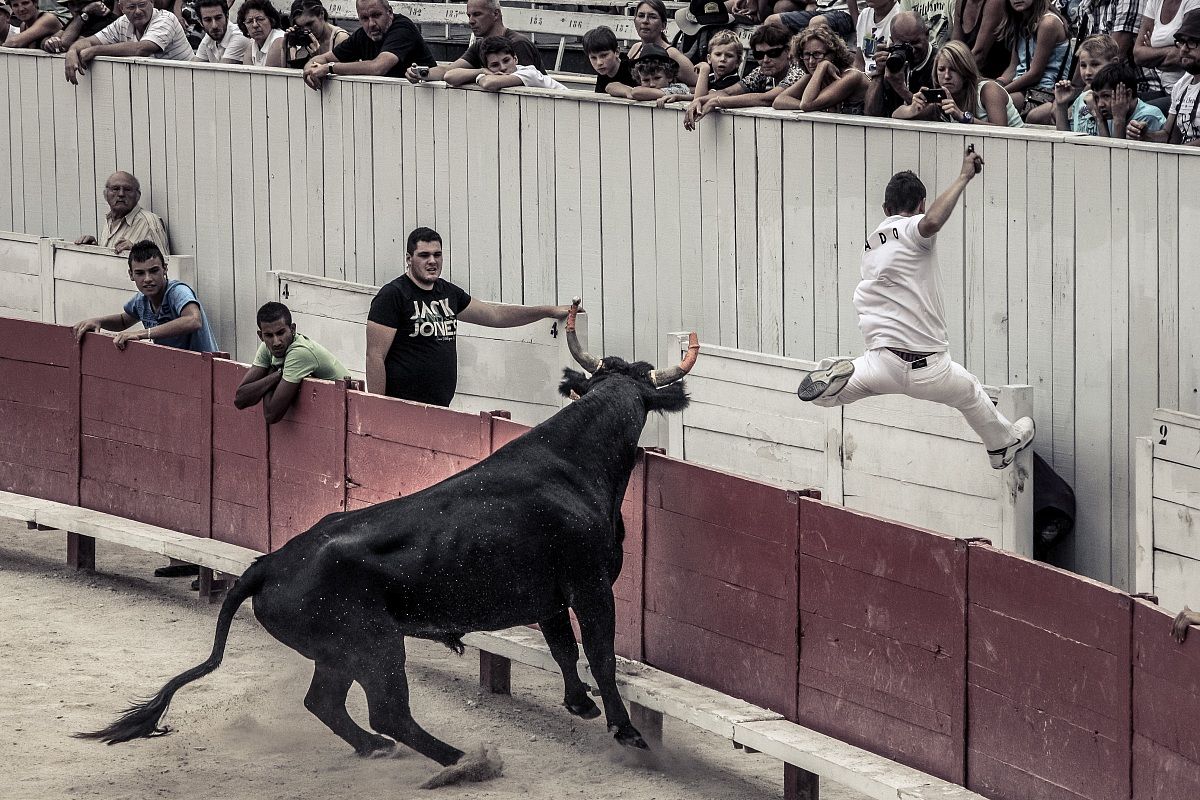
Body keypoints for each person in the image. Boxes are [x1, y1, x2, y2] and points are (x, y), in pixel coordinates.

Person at [797, 148, 1036, 471]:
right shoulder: (912, 232)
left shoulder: (872, 243)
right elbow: (933, 222)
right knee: (969, 391)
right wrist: (964, 175)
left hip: (880, 363)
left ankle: (831, 386)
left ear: (886, 208)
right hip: (929, 369)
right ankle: (1001, 445)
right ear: (921, 205)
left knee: (836, 396)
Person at [365, 227, 572, 406]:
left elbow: (495, 316)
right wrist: (378, 410)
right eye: (424, 255)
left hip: (440, 408)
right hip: (401, 407)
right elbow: (375, 356)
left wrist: (548, 311)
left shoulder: (448, 293)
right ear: (409, 259)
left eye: (437, 255)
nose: (432, 261)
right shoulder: (393, 295)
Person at [234, 302, 349, 424]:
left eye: (280, 333)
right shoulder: (266, 348)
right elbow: (239, 400)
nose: (276, 342)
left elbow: (271, 415)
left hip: (346, 410)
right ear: (260, 336)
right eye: (268, 335)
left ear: (292, 329)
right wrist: (274, 376)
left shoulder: (299, 352)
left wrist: (270, 372)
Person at [684, 23, 803, 128]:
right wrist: (700, 100)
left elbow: (767, 98)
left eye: (773, 53)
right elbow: (728, 92)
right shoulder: (761, 71)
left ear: (788, 51)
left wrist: (717, 102)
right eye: (759, 55)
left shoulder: (798, 69)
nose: (765, 60)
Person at [303, 0, 434, 88]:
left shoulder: (403, 29)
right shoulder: (362, 35)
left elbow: (378, 67)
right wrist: (309, 69)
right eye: (364, 18)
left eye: (376, 15)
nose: (371, 24)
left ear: (389, 12)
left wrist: (329, 68)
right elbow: (323, 58)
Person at [405, 0, 542, 83]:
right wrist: (421, 74)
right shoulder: (481, 46)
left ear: (496, 14)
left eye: (477, 14)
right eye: (469, 15)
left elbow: (524, 87)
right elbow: (449, 70)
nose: (470, 21)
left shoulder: (518, 43)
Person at [893, 39, 1024, 124]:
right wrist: (913, 109)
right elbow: (895, 115)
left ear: (965, 71)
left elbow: (1001, 131)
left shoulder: (988, 89)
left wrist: (962, 117)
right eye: (941, 69)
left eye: (953, 70)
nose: (947, 76)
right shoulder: (941, 99)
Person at [63, 0, 193, 83]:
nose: (137, 11)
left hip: (188, 82)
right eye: (131, 7)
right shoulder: (122, 22)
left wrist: (95, 51)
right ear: (121, 8)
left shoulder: (165, 18)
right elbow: (90, 41)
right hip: (161, 85)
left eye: (142, 5)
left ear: (152, 2)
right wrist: (72, 51)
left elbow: (141, 49)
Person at [1130, 9, 1200, 145]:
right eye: (1181, 42)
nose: (1183, 49)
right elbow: (1170, 136)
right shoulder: (1182, 85)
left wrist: (1180, 151)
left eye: (1192, 42)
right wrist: (1144, 135)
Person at [773, 23, 869, 113]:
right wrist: (816, 107)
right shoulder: (815, 76)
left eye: (817, 54)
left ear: (833, 54)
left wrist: (822, 65)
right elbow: (779, 100)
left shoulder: (851, 76)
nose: (811, 61)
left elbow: (807, 104)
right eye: (806, 55)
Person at [998, 0, 1069, 114]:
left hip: (1047, 91)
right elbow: (1013, 68)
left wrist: (1000, 92)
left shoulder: (1048, 23)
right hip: (1022, 87)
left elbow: (1035, 74)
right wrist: (997, 83)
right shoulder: (1020, 21)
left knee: (995, 103)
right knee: (981, 97)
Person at [75, 171, 170, 254]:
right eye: (115, 189)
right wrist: (94, 249)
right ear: (105, 194)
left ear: (138, 195)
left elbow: (165, 266)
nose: (121, 194)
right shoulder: (109, 220)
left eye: (127, 189)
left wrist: (136, 252)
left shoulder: (149, 223)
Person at [864, 11, 938, 116]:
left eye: (915, 42)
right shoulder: (892, 62)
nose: (911, 50)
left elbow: (934, 117)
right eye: (903, 45)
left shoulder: (940, 65)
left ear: (927, 34)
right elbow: (870, 113)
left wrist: (901, 88)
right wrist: (879, 74)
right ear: (892, 41)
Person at [1074, 61, 1167, 137]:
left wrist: (1119, 119)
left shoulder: (1148, 116)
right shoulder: (1108, 113)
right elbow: (1105, 152)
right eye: (1097, 98)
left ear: (1127, 94)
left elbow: (1118, 157)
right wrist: (1100, 120)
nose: (1100, 104)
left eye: (1106, 96)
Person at [1052, 34, 1121, 135]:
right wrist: (1061, 105)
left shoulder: (1117, 100)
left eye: (1095, 64)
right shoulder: (1081, 98)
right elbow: (1066, 137)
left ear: (1114, 63)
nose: (1087, 72)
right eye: (1083, 65)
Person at [1133, 0, 1200, 103]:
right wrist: (1170, 53)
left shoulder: (1194, 2)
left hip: (1185, 92)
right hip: (1160, 88)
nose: (1183, 48)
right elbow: (1138, 55)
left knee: (1139, 113)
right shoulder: (1154, 2)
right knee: (1124, 104)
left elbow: (1187, 56)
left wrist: (1153, 57)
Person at [444, 35, 566, 90]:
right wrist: (481, 71)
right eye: (495, 65)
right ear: (487, 67)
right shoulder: (488, 73)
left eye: (506, 60)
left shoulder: (529, 72)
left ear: (516, 59)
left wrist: (484, 75)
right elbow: (449, 76)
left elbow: (488, 83)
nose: (502, 68)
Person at [658, 29, 743, 106]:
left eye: (729, 56)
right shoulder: (712, 77)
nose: (722, 59)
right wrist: (678, 97)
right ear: (709, 58)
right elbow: (703, 95)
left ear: (738, 62)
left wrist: (704, 70)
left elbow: (699, 99)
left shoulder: (732, 80)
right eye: (718, 54)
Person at [629, 0, 698, 87]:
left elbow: (700, 86)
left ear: (663, 25)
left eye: (652, 17)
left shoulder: (672, 54)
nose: (645, 21)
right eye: (641, 16)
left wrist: (670, 92)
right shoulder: (635, 48)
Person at [265, 0, 348, 69]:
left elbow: (342, 80)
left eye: (309, 24)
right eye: (300, 27)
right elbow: (288, 79)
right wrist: (286, 50)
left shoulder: (340, 38)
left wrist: (317, 58)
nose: (306, 30)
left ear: (321, 14)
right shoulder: (302, 39)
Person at [606, 43, 689, 99]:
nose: (652, 84)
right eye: (646, 80)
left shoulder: (680, 88)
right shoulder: (642, 89)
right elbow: (610, 87)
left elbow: (636, 92)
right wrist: (628, 92)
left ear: (669, 76)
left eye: (657, 78)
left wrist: (633, 92)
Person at [952, 0, 1009, 78]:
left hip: (994, 75)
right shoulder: (960, 3)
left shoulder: (995, 2)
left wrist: (955, 74)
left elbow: (979, 54)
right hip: (966, 70)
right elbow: (954, 47)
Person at [40, 0, 118, 53]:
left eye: (81, 3)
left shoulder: (107, 20)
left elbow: (64, 45)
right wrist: (49, 42)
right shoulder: (78, 19)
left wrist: (84, 13)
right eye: (72, 4)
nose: (76, 9)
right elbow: (46, 41)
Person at [583, 25, 636, 95]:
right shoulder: (603, 73)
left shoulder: (634, 70)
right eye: (593, 58)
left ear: (617, 52)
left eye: (604, 55)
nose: (599, 62)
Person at [854, 0, 902, 76]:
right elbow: (859, 62)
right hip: (864, 78)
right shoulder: (864, 15)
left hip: (884, 77)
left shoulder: (899, 18)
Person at [236, 0, 282, 66]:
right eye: (249, 21)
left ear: (272, 20)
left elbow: (268, 75)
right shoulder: (251, 46)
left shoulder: (279, 40)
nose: (255, 25)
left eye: (260, 19)